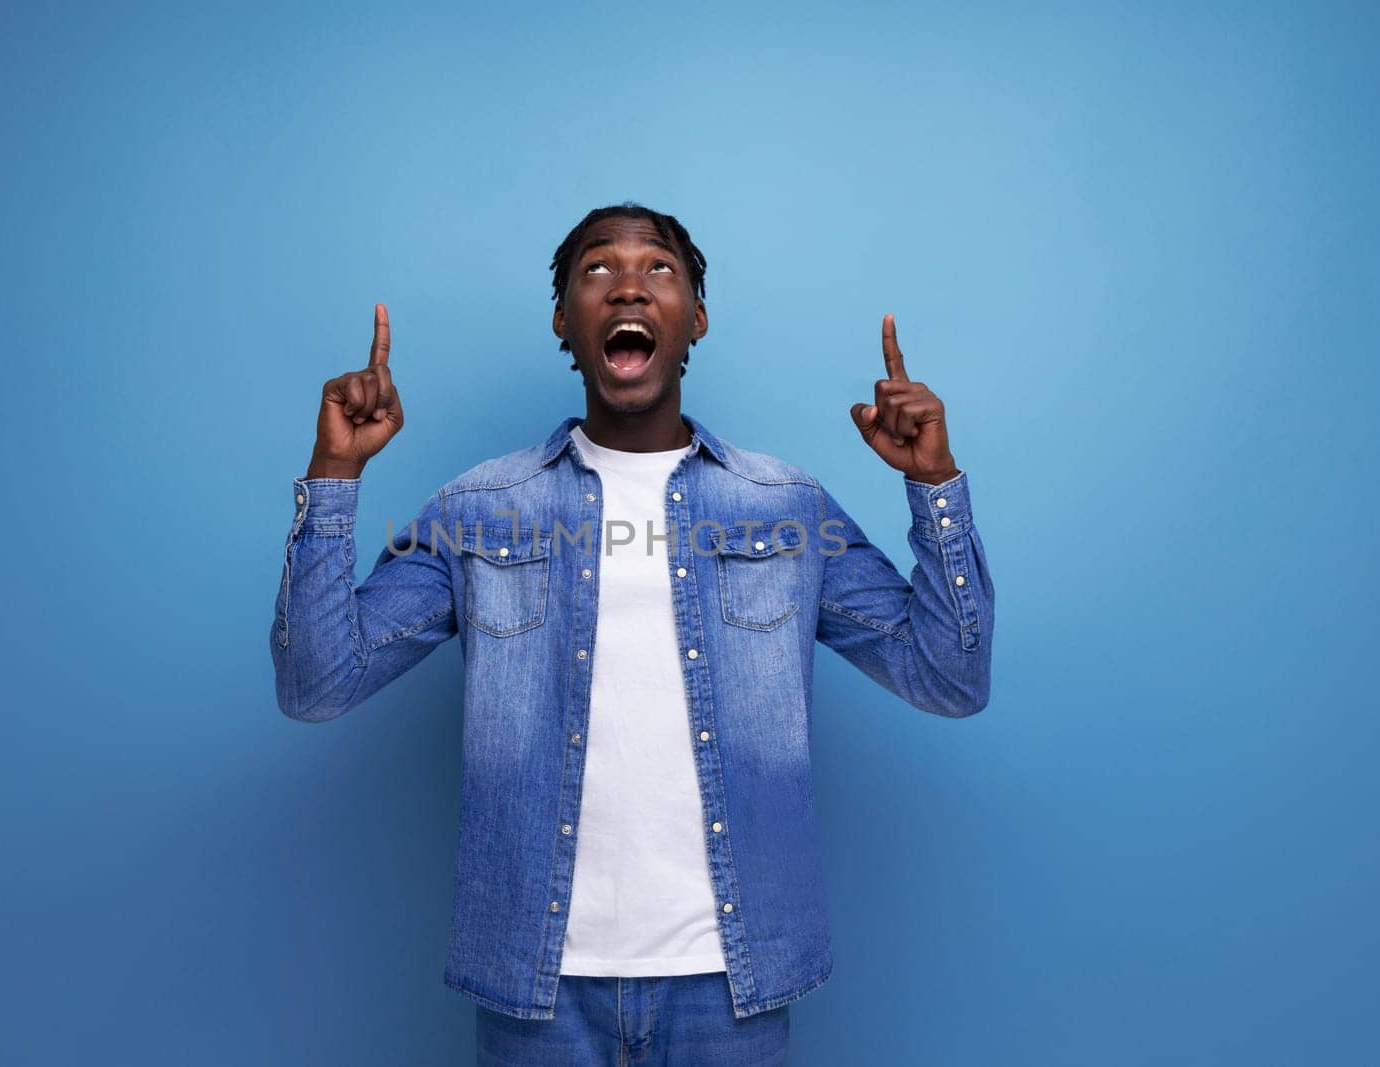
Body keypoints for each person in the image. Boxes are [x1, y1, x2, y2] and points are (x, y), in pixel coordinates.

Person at [270, 202, 995, 1065]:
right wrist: (335, 475)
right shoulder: (479, 511)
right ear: (563, 322)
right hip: (537, 986)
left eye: (659, 269)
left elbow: (949, 678)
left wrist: (935, 487)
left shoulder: (786, 509)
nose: (628, 286)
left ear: (695, 317)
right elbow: (317, 684)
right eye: (596, 270)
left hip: (732, 983)